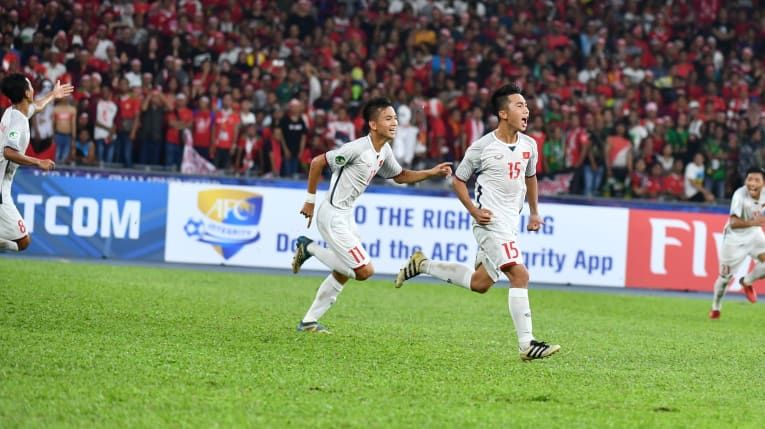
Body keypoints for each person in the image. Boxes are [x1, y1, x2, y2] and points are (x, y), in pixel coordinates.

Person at [394, 84, 560, 361]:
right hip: (489, 223)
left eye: (526, 105)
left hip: (510, 224)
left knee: (481, 283)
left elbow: (530, 177)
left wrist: (534, 212)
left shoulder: (530, 146)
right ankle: (527, 344)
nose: (526, 110)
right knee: (520, 275)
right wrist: (473, 210)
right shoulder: (482, 147)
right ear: (503, 113)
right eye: (519, 105)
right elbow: (458, 179)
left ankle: (422, 265)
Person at [291, 97, 452, 333]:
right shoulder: (357, 149)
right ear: (373, 124)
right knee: (364, 271)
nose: (395, 122)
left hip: (346, 215)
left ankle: (308, 322)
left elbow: (400, 176)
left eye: (395, 118)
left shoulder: (383, 150)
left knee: (344, 272)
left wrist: (431, 172)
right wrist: (310, 201)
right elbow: (316, 162)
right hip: (332, 215)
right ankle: (309, 248)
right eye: (388, 118)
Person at [0, 73, 73, 252]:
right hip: (1, 192)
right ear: (26, 93)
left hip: (4, 188)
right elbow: (8, 152)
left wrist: (52, 95)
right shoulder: (18, 122)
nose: (33, 89)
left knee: (23, 242)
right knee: (23, 242)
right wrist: (38, 162)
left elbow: (36, 107)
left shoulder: (14, 111)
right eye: (31, 86)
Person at [709, 167, 765, 319]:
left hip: (754, 235)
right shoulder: (740, 195)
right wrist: (755, 222)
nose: (752, 183)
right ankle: (716, 305)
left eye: (756, 180)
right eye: (749, 179)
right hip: (735, 239)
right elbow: (733, 222)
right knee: (725, 278)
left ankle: (746, 281)